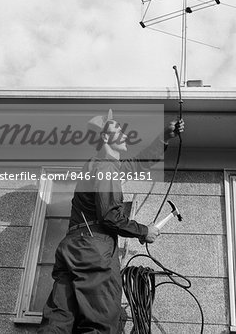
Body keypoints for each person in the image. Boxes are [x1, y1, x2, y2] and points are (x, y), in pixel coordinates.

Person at [38, 113, 184, 334]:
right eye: (119, 130)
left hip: (71, 249)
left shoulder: (98, 166)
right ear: (106, 138)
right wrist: (144, 231)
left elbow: (134, 165)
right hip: (93, 251)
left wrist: (163, 137)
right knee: (100, 321)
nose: (125, 134)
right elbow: (110, 215)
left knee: (58, 320)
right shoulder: (105, 168)